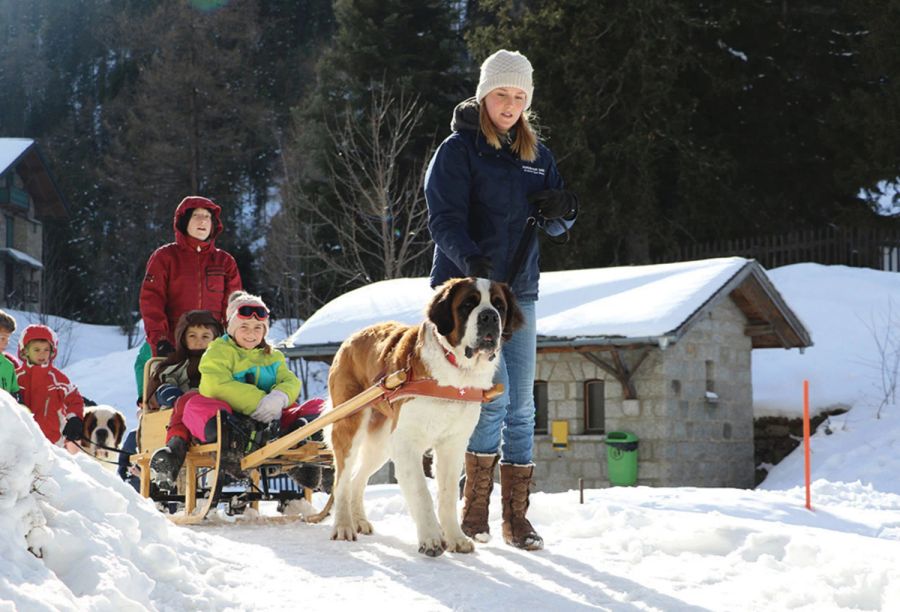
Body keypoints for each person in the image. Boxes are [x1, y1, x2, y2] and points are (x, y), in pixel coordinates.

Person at [424, 49, 577, 551]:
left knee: (521, 407)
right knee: (494, 397)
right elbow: (442, 219)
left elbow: (558, 222)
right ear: (484, 95)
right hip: (467, 297)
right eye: (501, 95)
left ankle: (516, 519)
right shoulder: (458, 150)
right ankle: (472, 513)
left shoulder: (537, 156)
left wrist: (563, 210)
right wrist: (472, 262)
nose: (509, 105)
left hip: (519, 294)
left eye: (519, 96)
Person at [182, 291, 326, 489]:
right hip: (234, 420)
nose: (251, 333)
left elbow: (290, 381)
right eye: (244, 327)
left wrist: (278, 398)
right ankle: (233, 448)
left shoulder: (273, 356)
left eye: (258, 327)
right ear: (232, 328)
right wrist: (258, 402)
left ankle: (302, 441)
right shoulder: (218, 350)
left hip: (272, 421)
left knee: (320, 406)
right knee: (194, 405)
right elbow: (215, 385)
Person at [134, 196, 242, 402]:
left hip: (213, 346)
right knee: (147, 367)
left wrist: (233, 343)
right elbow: (151, 300)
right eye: (196, 216)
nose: (202, 221)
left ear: (213, 224)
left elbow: (234, 306)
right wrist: (160, 340)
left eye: (207, 217)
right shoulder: (165, 257)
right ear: (183, 222)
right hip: (173, 344)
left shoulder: (225, 261)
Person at [145, 310, 224, 492]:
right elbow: (160, 384)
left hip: (213, 410)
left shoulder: (223, 363)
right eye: (192, 336)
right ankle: (174, 450)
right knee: (185, 402)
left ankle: (216, 479)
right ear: (182, 338)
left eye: (206, 336)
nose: (199, 340)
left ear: (216, 339)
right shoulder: (177, 364)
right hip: (184, 411)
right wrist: (166, 392)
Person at [16, 324, 86, 453]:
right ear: (25, 351)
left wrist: (74, 418)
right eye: (36, 350)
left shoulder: (57, 378)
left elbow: (74, 399)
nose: (42, 354)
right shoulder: (16, 377)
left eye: (46, 350)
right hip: (20, 440)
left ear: (52, 351)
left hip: (51, 441)